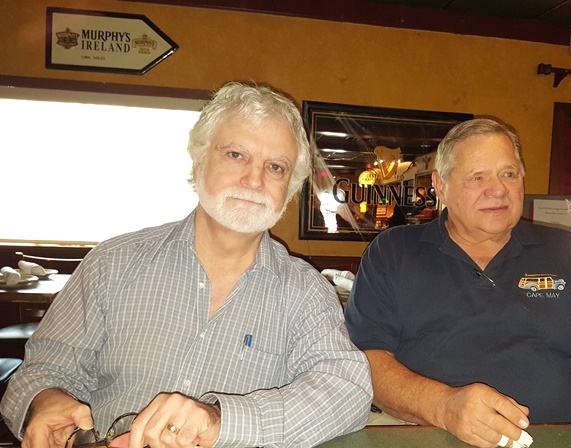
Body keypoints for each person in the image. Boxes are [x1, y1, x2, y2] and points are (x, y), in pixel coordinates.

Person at [1, 82, 372, 448]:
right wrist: (45, 402)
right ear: (198, 163)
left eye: (275, 166)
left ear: (289, 188)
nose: (254, 180)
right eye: (236, 155)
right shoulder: (112, 263)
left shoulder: (306, 292)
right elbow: (43, 369)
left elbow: (348, 392)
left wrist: (218, 421)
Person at [343, 117, 571, 448]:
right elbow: (365, 359)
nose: (498, 190)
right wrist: (443, 407)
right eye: (477, 177)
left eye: (509, 173)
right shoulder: (393, 252)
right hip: (424, 435)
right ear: (441, 187)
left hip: (552, 441)